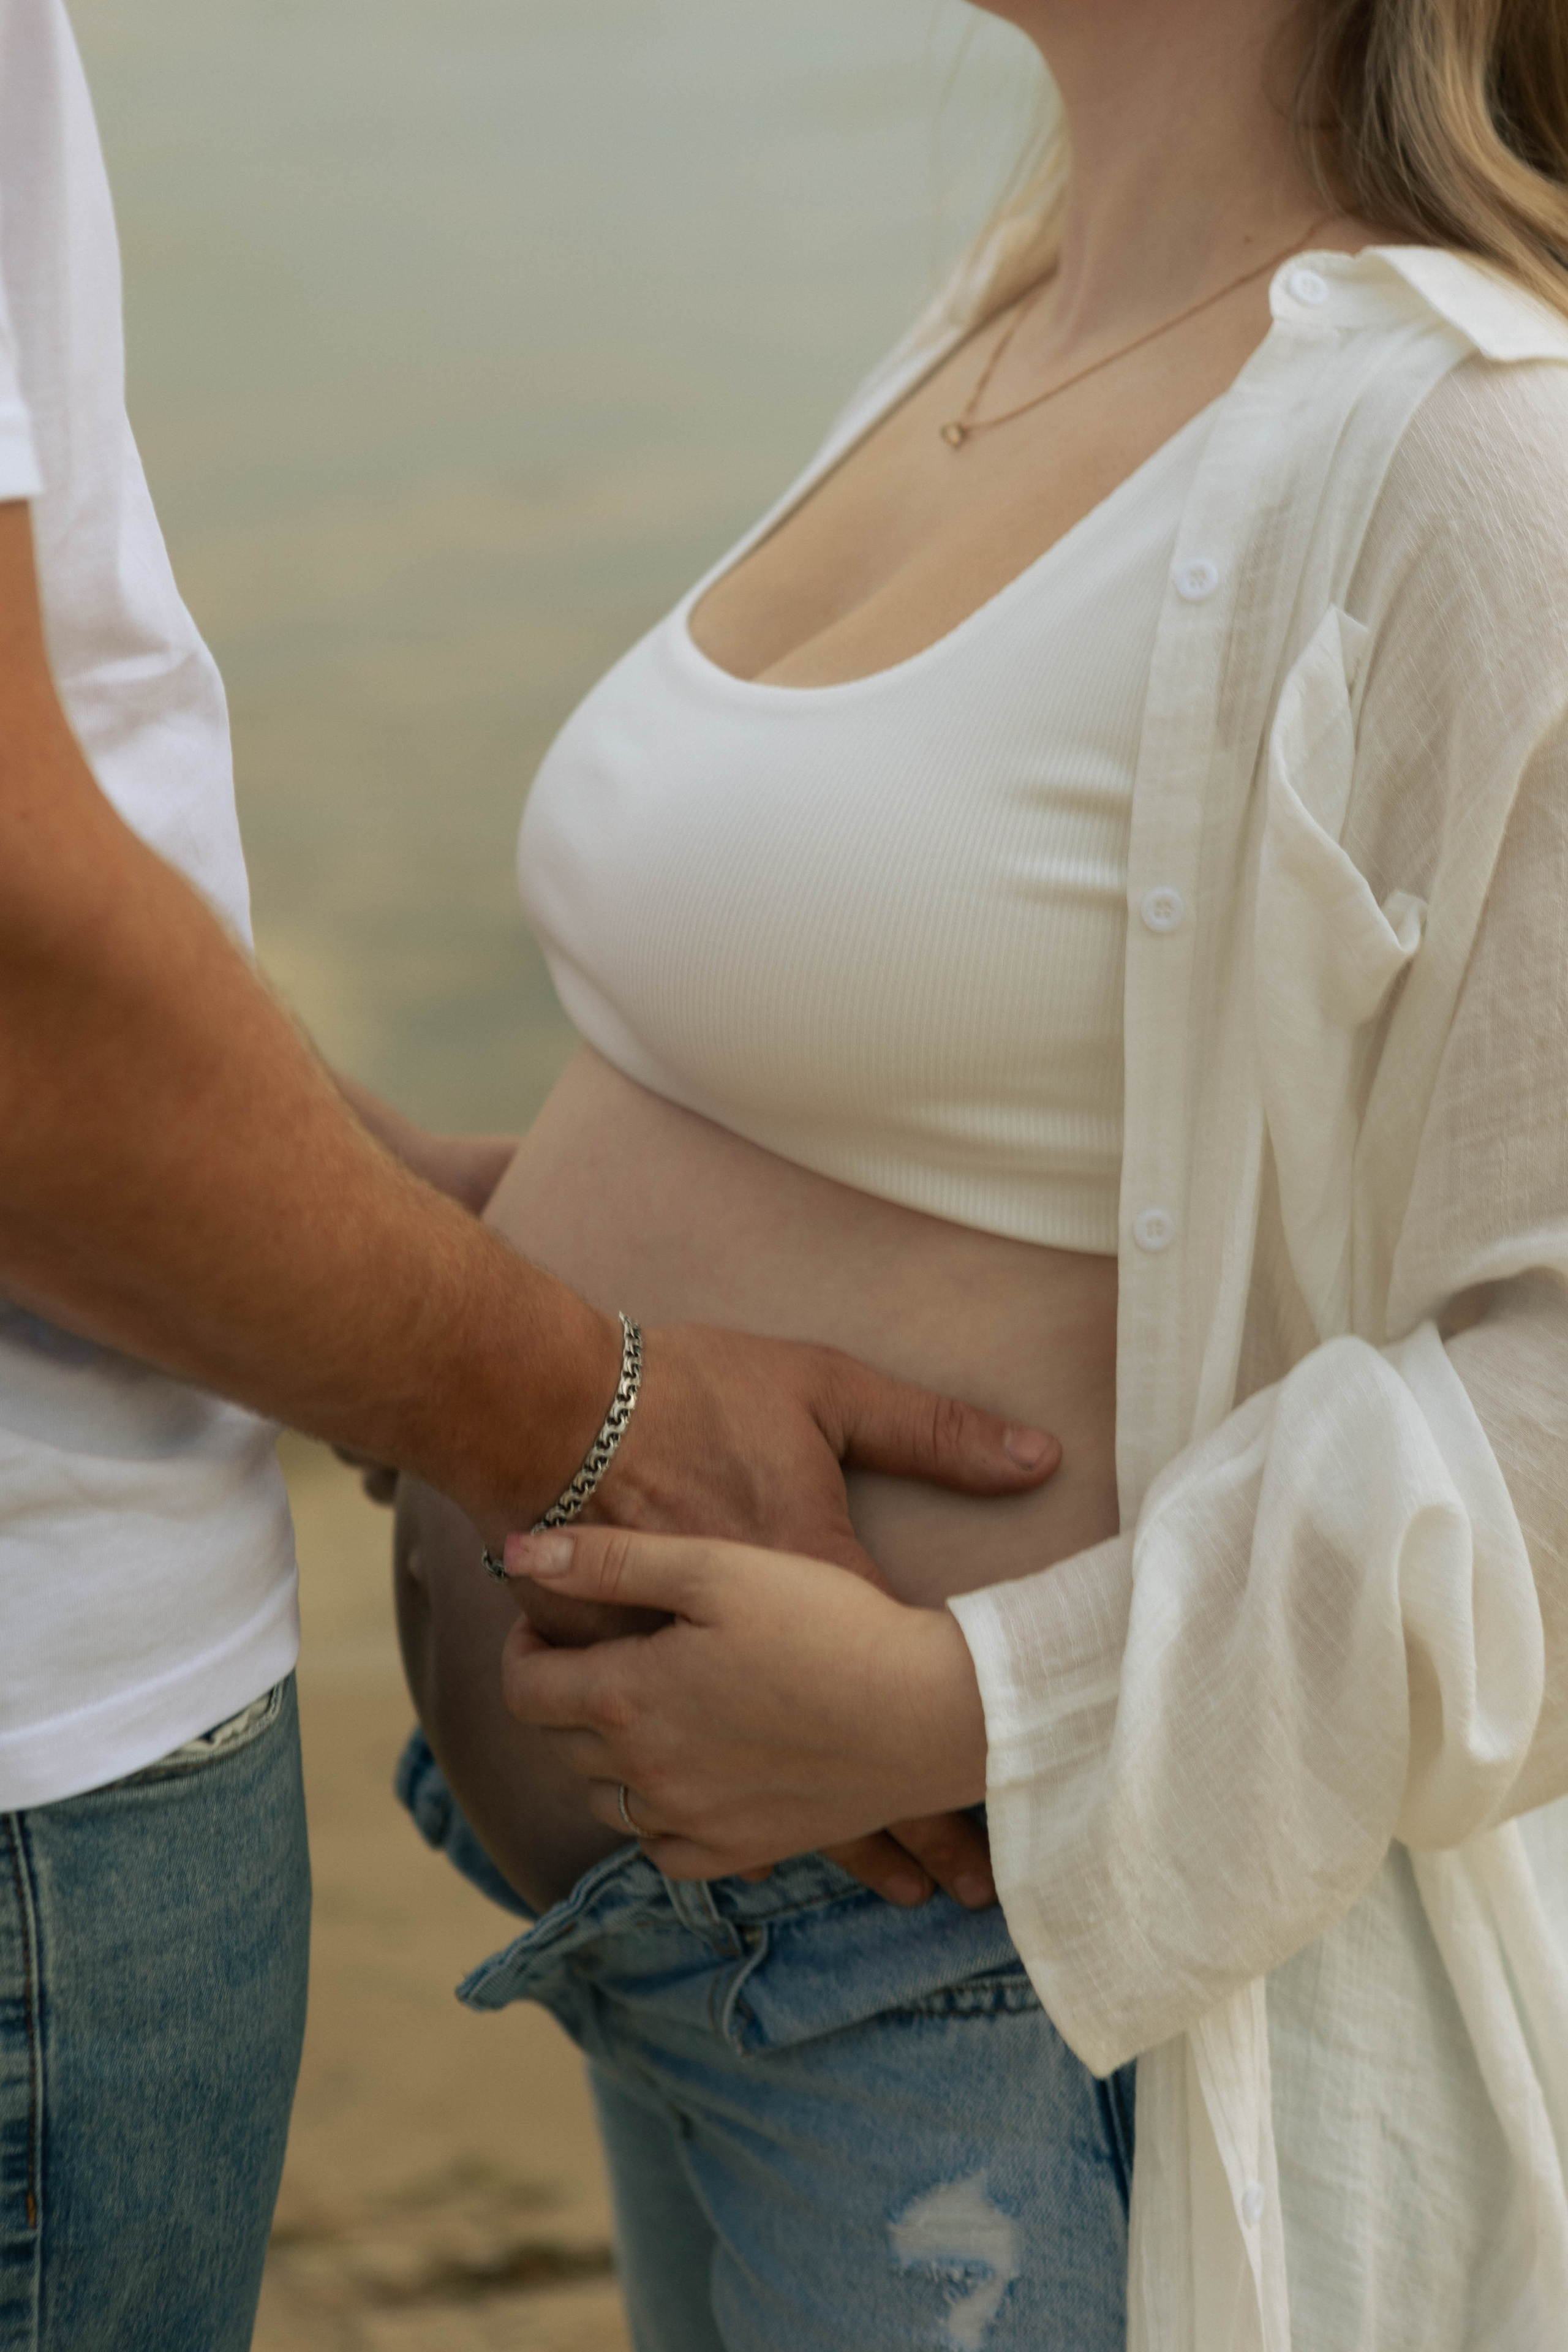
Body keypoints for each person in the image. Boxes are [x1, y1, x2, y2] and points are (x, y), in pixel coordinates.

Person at [396, 0, 1568, 2346]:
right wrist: (437, 1284)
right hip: (692, 1943)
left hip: (984, 1998)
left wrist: (971, 1707)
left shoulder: (1483, 456)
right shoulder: (1015, 313)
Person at [0, 8, 1067, 2349]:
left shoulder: (1424, 399)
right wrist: (566, 1401)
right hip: (131, 1774)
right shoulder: (1025, 295)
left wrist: (1018, 1705)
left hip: (932, 1964)